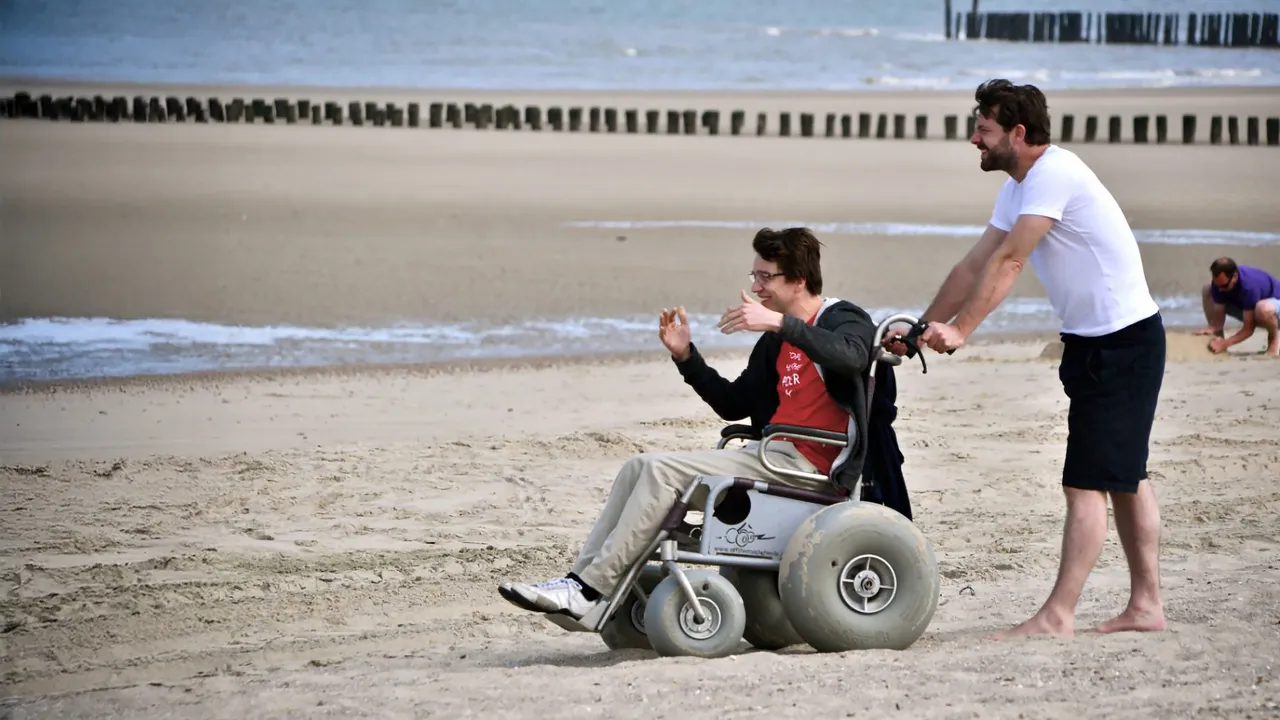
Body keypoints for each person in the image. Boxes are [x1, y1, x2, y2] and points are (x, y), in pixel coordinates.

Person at [888, 78, 1168, 639]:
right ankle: (1146, 606)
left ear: (1017, 133)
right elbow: (975, 264)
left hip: (1122, 344)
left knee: (1085, 484)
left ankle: (1058, 616)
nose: (974, 139)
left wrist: (962, 329)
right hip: (1096, 343)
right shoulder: (1019, 186)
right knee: (1125, 477)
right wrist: (920, 329)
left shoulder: (1053, 175)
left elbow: (1011, 262)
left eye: (984, 129)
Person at [498, 226, 879, 622]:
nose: (756, 287)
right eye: (755, 275)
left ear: (798, 280)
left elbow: (853, 356)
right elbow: (733, 404)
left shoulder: (842, 318)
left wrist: (781, 324)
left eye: (766, 277)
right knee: (638, 467)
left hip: (808, 469)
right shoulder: (775, 342)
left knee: (661, 472)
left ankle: (590, 590)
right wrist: (686, 357)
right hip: (770, 456)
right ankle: (580, 584)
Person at [1194, 257, 1280, 357]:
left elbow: (1248, 329)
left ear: (1235, 276)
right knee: (1207, 289)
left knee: (1263, 308)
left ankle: (1274, 340)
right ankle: (1218, 339)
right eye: (1217, 286)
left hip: (1273, 311)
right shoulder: (1219, 284)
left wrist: (1226, 343)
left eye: (1224, 286)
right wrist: (1213, 328)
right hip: (1253, 309)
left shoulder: (1249, 286)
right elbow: (1218, 314)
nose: (1220, 290)